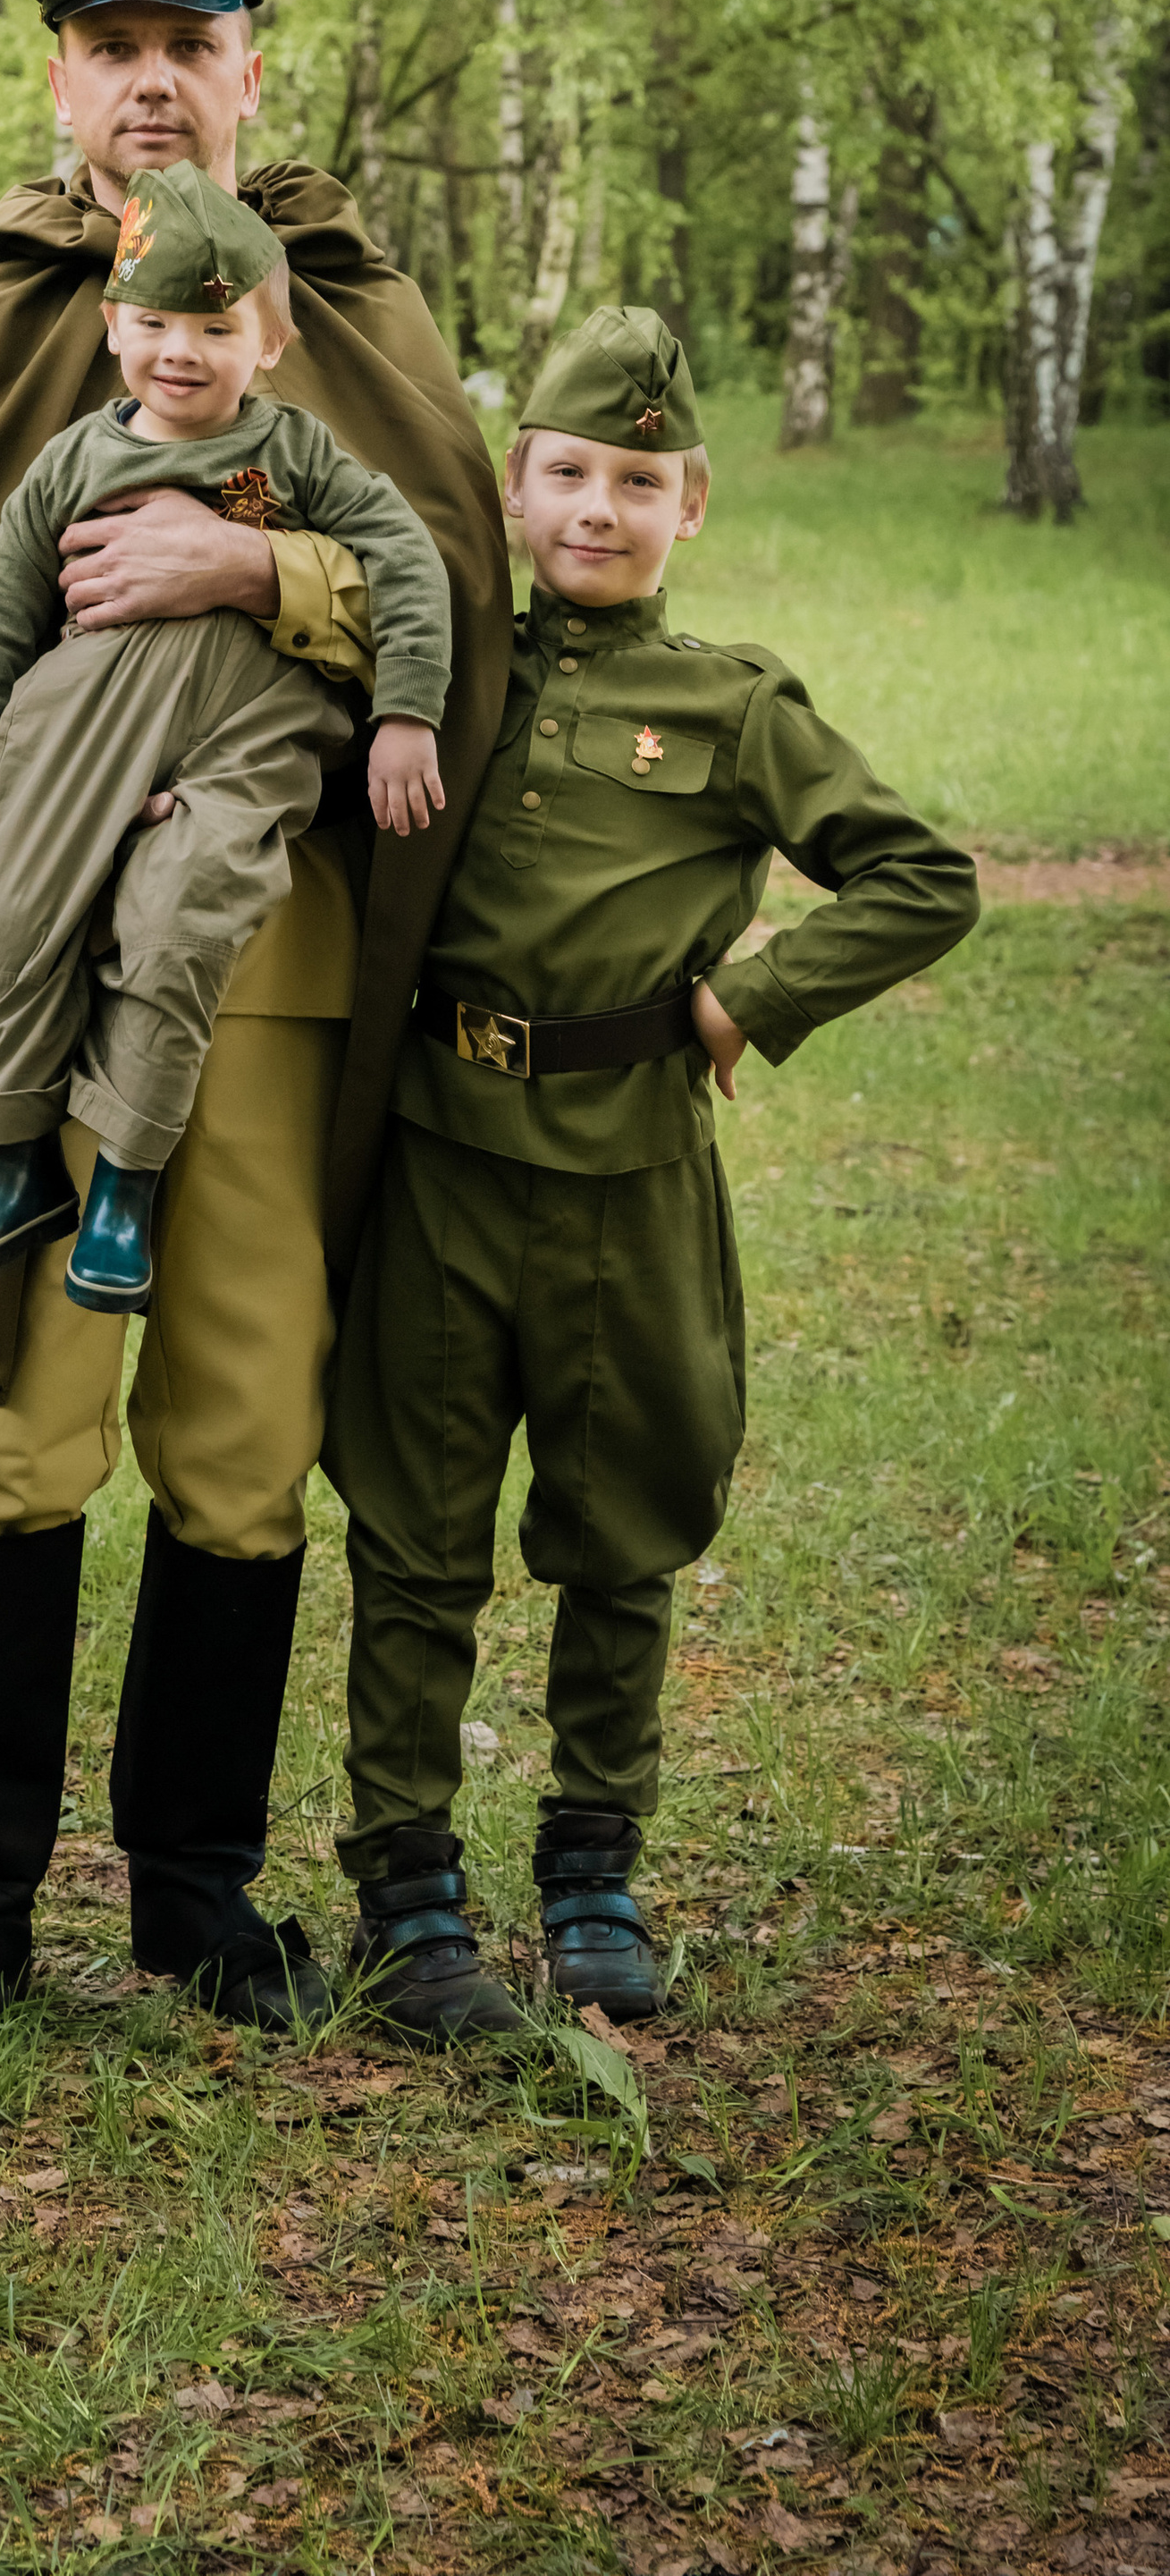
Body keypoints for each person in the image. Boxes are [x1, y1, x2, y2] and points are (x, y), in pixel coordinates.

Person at [0, 0, 515, 2055]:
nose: (148, 85)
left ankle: (199, 1890)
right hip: (22, 974)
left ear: (243, 74)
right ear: (61, 80)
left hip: (277, 973)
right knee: (14, 1436)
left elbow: (452, 606)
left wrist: (256, 568)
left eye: (186, 50)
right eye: (110, 52)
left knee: (235, 1430)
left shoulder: (340, 311)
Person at [322, 308, 982, 2042]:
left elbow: (919, 875)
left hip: (626, 1177)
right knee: (410, 1530)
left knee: (621, 1526)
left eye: (634, 480)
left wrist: (746, 999)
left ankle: (590, 1866)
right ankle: (403, 1887)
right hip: (438, 1161)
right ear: (513, 486)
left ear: (687, 503)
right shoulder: (448, 668)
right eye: (562, 472)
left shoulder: (731, 703)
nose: (594, 508)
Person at [0, 158, 453, 1314]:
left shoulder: (296, 453)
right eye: (155, 323)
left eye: (214, 328)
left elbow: (408, 555)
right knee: (8, 901)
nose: (180, 350)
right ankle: (9, 1165)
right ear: (115, 328)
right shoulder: (71, 462)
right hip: (90, 738)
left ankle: (123, 1184)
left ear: (271, 338)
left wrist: (407, 711)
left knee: (177, 924)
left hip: (244, 746)